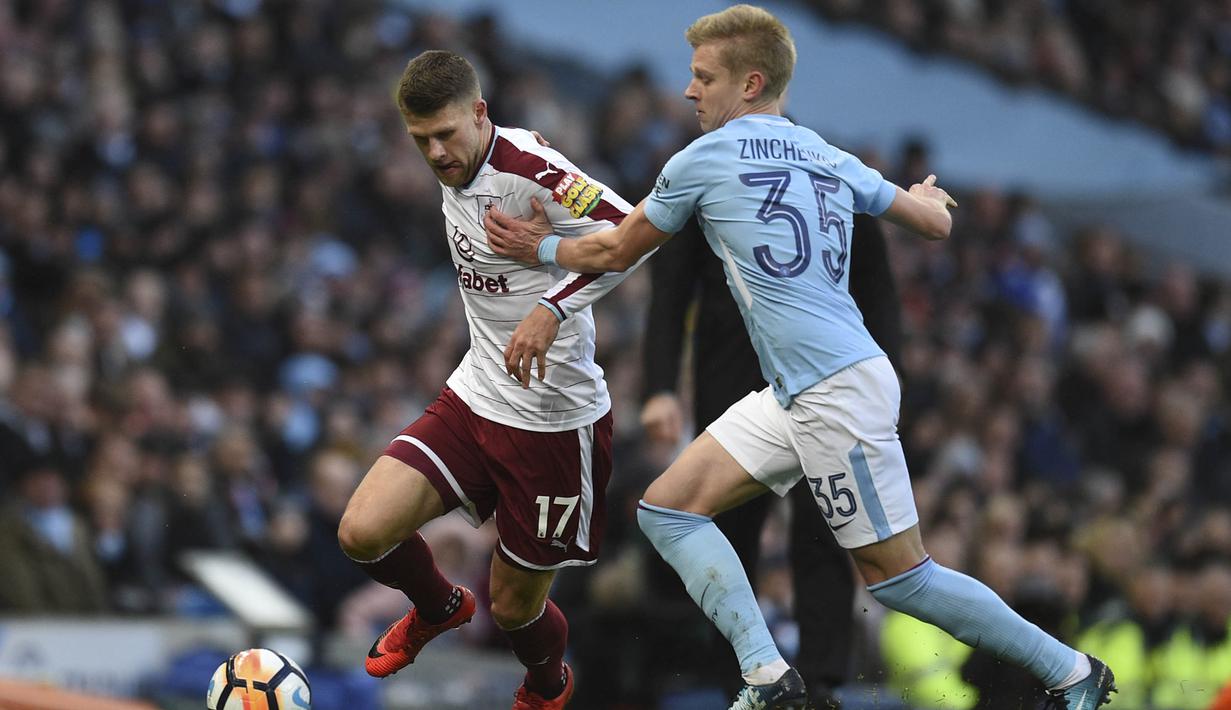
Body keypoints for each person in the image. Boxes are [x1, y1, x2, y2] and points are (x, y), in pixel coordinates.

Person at [483, 5, 1117, 709]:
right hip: (799, 388)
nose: (689, 91)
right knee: (666, 510)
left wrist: (534, 250)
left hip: (835, 391)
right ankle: (765, 674)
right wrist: (929, 198)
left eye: (703, 77)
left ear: (749, 83)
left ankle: (1068, 670)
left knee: (900, 579)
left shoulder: (703, 159)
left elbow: (612, 250)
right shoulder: (828, 153)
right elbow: (932, 223)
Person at [337, 50, 643, 710]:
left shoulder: (532, 170)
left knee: (513, 611)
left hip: (555, 424)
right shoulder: (469, 161)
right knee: (361, 531)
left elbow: (629, 232)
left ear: (479, 114)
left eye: (447, 133)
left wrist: (550, 303)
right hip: (477, 394)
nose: (437, 153)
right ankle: (439, 606)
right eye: (421, 140)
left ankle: (546, 683)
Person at [640, 208, 900, 709]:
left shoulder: (827, 170)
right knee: (725, 529)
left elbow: (875, 284)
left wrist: (891, 373)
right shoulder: (703, 175)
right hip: (734, 374)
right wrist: (659, 386)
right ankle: (741, 677)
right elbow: (670, 289)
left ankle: (823, 685)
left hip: (824, 379)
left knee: (827, 521)